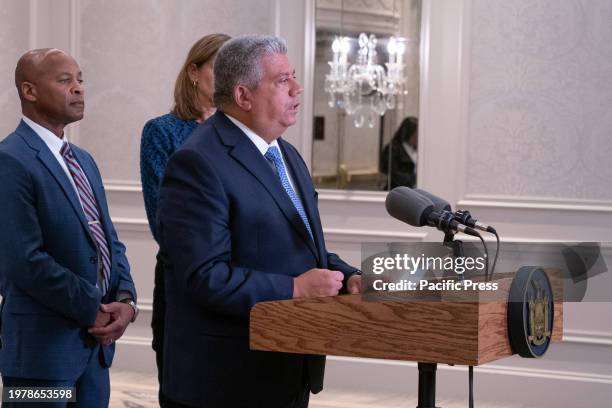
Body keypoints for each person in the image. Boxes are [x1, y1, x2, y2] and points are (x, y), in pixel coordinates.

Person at [157, 34, 362, 408]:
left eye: (294, 77)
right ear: (243, 96)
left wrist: (350, 277)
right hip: (224, 381)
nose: (298, 88)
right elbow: (204, 277)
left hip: (288, 365)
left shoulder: (288, 155)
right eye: (282, 80)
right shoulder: (198, 162)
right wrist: (295, 289)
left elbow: (303, 249)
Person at [0, 49, 137, 407]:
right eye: (64, 81)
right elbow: (24, 260)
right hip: (41, 355)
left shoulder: (83, 161)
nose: (78, 89)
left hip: (95, 351)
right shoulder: (10, 159)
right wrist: (94, 306)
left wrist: (125, 300)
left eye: (80, 80)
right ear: (29, 91)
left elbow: (109, 241)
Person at [139, 33, 230, 408]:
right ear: (194, 71)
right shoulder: (162, 131)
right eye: (218, 67)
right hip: (185, 283)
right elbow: (163, 219)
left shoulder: (247, 133)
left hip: (242, 285)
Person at [380, 116, 418, 189]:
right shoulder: (392, 149)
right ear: (408, 133)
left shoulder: (417, 149)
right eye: (415, 134)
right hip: (398, 190)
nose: (417, 137)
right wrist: (415, 178)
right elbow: (394, 174)